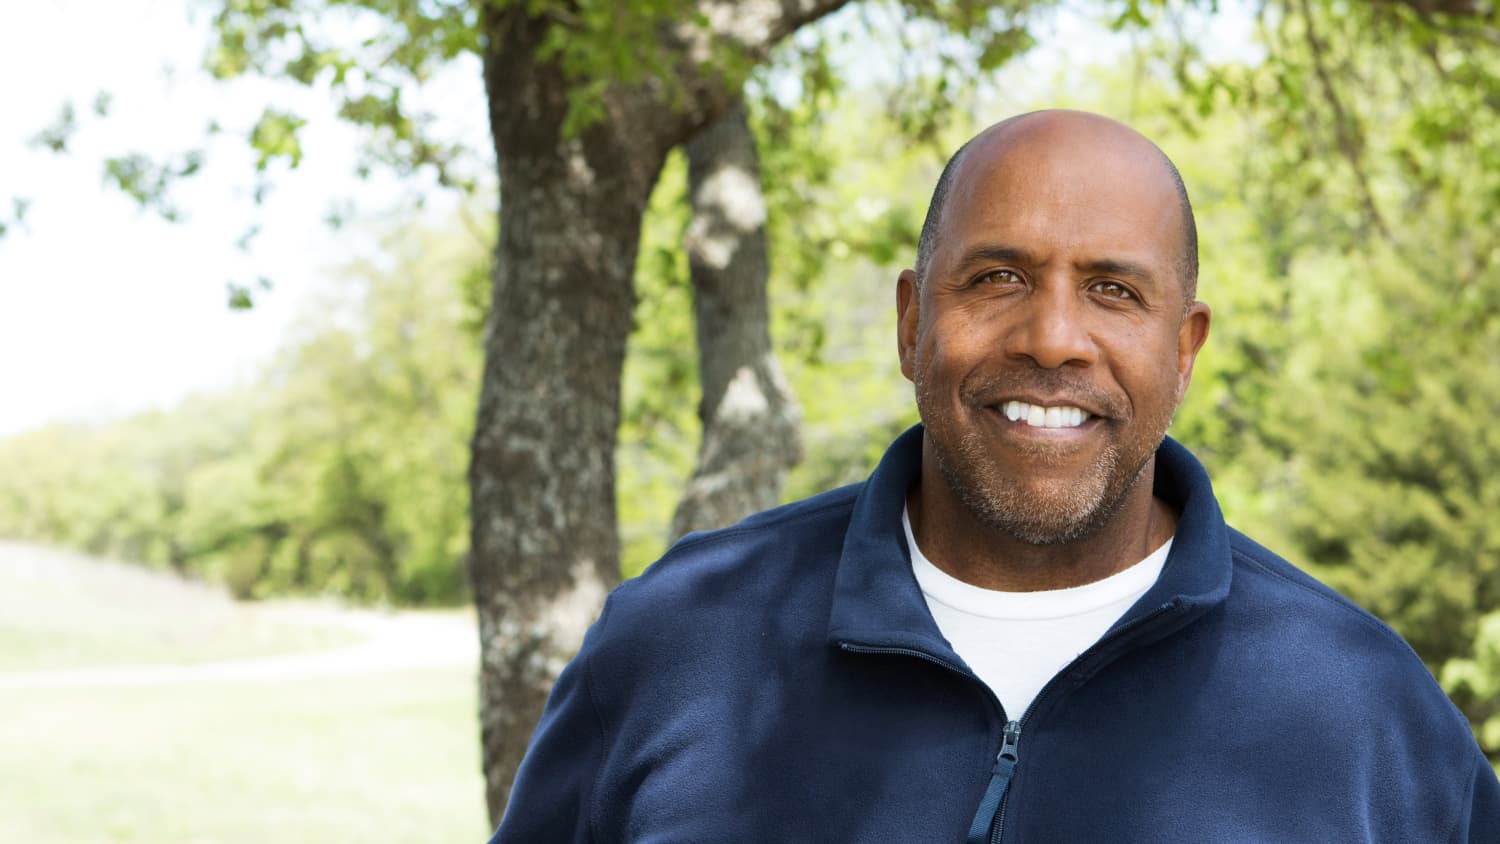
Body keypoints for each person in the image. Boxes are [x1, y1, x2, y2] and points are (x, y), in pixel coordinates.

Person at [489, 110, 1500, 842]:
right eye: (998, 278)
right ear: (912, 322)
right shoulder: (677, 645)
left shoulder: (1362, 710)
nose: (1054, 338)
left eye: (1112, 290)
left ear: (1184, 352)